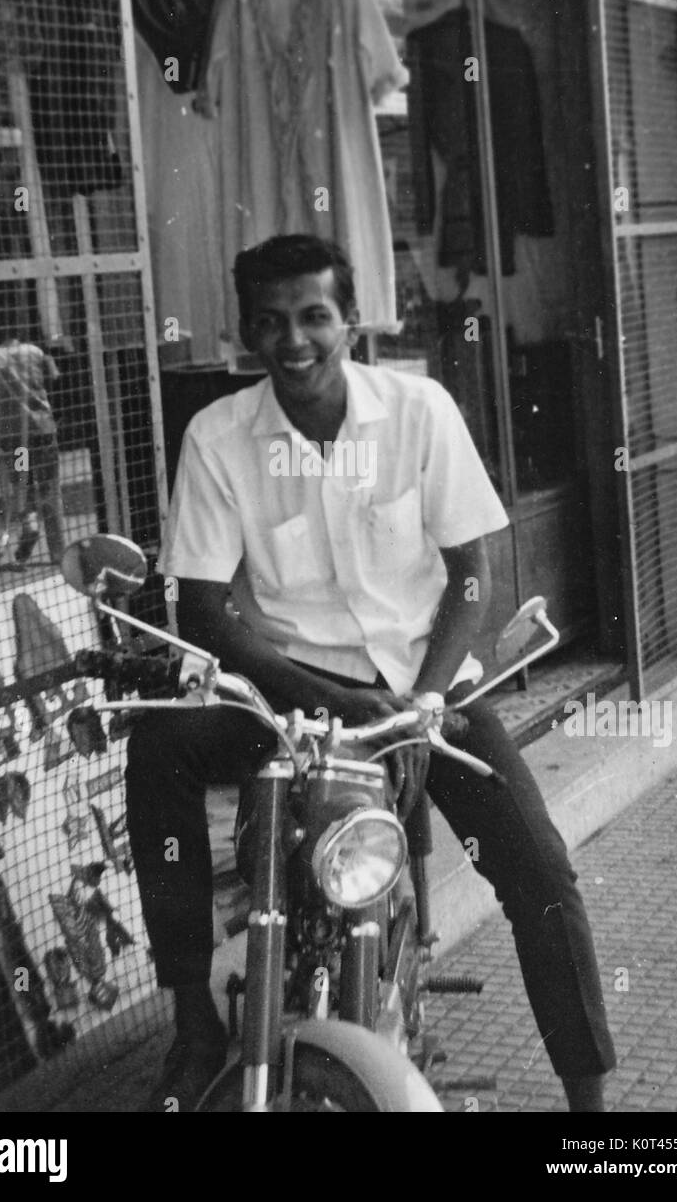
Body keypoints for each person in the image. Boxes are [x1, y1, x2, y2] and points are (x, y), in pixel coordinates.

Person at [126, 234, 615, 1112]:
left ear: (351, 320)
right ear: (246, 331)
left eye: (315, 315)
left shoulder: (419, 410)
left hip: (428, 687)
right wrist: (332, 699)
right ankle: (193, 1019)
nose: (295, 340)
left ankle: (591, 1109)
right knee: (157, 749)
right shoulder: (217, 437)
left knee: (538, 869)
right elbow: (201, 608)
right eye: (270, 322)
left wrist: (424, 699)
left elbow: (471, 568)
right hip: (290, 698)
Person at [0, 331, 65, 566]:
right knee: (49, 489)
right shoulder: (35, 351)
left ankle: (30, 524)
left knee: (22, 484)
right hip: (43, 431)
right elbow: (54, 376)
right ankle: (57, 553)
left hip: (16, 439)